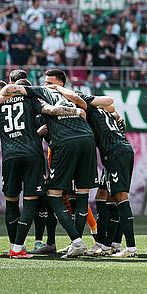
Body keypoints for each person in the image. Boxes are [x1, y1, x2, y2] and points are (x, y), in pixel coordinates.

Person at [0, 68, 96, 258]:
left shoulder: (40, 93)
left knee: (49, 196)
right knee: (80, 195)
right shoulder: (71, 94)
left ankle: (21, 246)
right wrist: (78, 110)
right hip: (83, 140)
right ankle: (86, 240)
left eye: (49, 82)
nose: (45, 84)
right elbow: (102, 103)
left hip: (35, 149)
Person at [51, 84, 138, 257]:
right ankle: (106, 245)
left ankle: (131, 248)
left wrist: (58, 89)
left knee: (120, 198)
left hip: (115, 154)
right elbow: (113, 109)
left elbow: (80, 100)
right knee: (103, 196)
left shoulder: (88, 109)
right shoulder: (104, 111)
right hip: (119, 151)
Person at [0, 71, 51, 258]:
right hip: (32, 154)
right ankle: (18, 247)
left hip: (10, 155)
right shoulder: (29, 99)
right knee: (30, 201)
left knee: (11, 201)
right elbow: (48, 110)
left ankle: (14, 244)